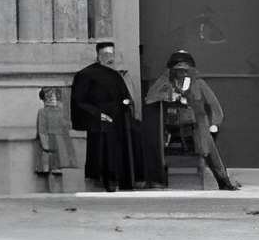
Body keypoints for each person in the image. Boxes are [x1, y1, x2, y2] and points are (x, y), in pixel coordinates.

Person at [144, 49, 240, 189]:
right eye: (178, 69)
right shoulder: (164, 82)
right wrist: (168, 96)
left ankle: (223, 179)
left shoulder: (199, 83)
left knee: (207, 143)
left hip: (197, 123)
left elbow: (214, 105)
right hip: (171, 125)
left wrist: (215, 123)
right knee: (155, 140)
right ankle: (156, 179)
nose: (181, 72)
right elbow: (149, 98)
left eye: (184, 69)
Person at [71, 40, 141, 190]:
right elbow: (80, 100)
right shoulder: (85, 75)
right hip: (100, 123)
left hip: (119, 121)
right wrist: (98, 114)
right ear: (98, 55)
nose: (111, 58)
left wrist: (127, 103)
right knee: (102, 153)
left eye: (112, 54)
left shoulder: (115, 75)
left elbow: (124, 96)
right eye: (107, 54)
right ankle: (102, 180)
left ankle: (121, 180)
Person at [35, 84, 81, 191]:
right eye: (49, 95)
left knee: (60, 169)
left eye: (54, 95)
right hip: (50, 142)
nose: (52, 97)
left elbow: (65, 127)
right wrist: (45, 145)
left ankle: (60, 192)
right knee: (50, 169)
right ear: (44, 98)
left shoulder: (60, 111)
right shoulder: (42, 112)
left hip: (60, 141)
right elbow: (42, 129)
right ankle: (52, 191)